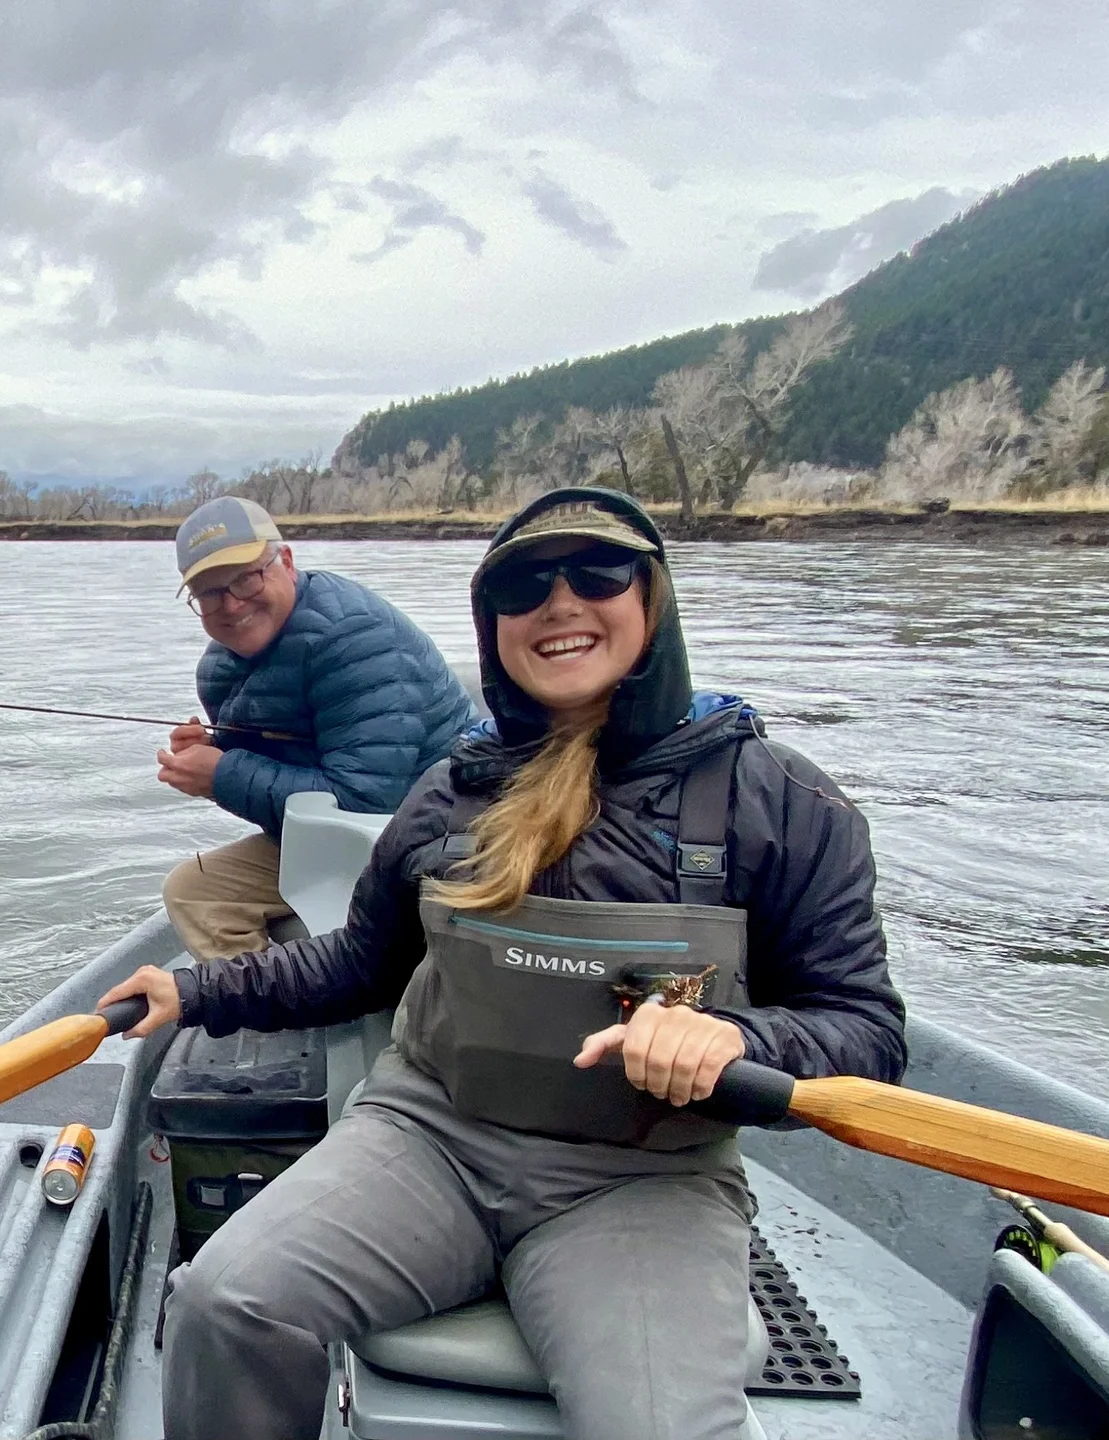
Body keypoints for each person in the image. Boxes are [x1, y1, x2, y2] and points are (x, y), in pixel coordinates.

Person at [104, 487, 906, 1440]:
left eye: (598, 573)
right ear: (495, 628)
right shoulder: (450, 793)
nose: (561, 602)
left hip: (637, 1181)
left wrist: (738, 1035)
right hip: (429, 1138)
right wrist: (191, 990)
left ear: (653, 600)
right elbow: (361, 964)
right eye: (525, 585)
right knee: (221, 1303)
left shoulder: (779, 800)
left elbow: (866, 1033)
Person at [157, 494, 476, 961]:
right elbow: (296, 762)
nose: (230, 605)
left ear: (285, 561)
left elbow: (366, 799)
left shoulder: (355, 637)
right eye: (209, 592)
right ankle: (260, 1010)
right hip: (355, 832)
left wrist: (223, 773)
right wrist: (213, 751)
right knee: (194, 890)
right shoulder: (226, 663)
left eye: (244, 579)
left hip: (429, 833)